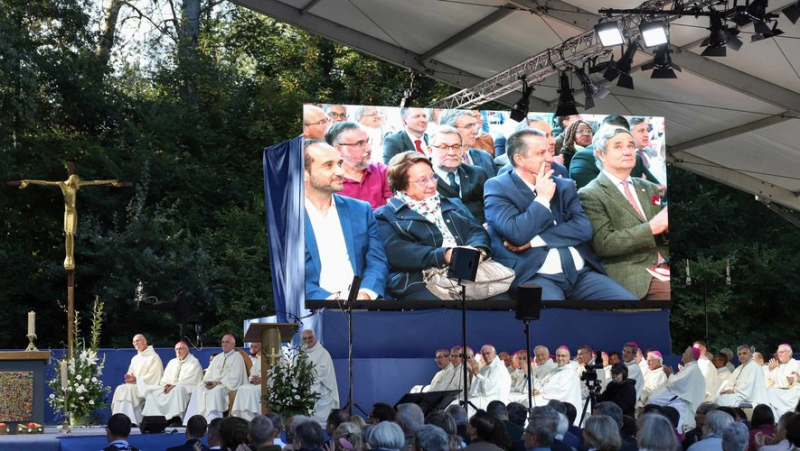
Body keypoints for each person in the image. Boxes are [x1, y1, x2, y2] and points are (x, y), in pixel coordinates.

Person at [483, 128, 636, 300]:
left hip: (582, 274)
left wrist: (534, 241)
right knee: (556, 318)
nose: (549, 158)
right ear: (519, 159)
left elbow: (583, 229)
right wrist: (541, 200)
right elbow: (516, 234)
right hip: (535, 276)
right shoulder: (498, 187)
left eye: (549, 151)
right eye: (541, 153)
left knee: (628, 305)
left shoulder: (564, 185)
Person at [375, 151, 493, 300]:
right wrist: (445, 255)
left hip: (465, 266)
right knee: (452, 309)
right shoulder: (385, 215)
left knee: (499, 301)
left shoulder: (452, 203)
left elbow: (476, 230)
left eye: (433, 176)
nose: (432, 184)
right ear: (402, 186)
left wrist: (478, 251)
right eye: (422, 180)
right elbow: (399, 253)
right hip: (419, 279)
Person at [577, 125, 670, 300]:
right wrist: (652, 228)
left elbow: (663, 232)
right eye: (618, 147)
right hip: (633, 270)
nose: (628, 152)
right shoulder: (590, 193)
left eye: (630, 146)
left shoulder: (649, 187)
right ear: (600, 154)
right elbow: (603, 244)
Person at [303, 139, 389, 300]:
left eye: (339, 164)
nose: (340, 172)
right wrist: (330, 300)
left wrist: (366, 294)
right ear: (304, 174)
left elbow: (377, 261)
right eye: (328, 165)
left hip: (364, 305)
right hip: (315, 310)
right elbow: (290, 278)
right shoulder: (288, 218)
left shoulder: (360, 209)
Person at [18, 174, 122, 270]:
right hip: (67, 213)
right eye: (77, 182)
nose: (78, 185)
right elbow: (45, 182)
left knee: (71, 234)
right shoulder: (61, 184)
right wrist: (28, 181)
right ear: (73, 180)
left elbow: (94, 182)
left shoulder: (75, 186)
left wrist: (111, 181)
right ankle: (67, 257)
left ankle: (70, 258)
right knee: (67, 234)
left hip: (73, 213)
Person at [568, 116, 660, 190]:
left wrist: (652, 201)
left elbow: (659, 193)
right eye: (608, 134)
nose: (612, 137)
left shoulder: (634, 157)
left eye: (620, 134)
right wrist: (640, 192)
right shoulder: (583, 158)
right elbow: (595, 199)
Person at [324, 121, 392, 210]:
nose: (369, 149)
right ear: (338, 149)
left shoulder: (382, 171)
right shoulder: (328, 182)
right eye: (359, 144)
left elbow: (395, 211)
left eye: (367, 141)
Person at [429, 126, 491, 223]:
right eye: (444, 147)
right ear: (430, 150)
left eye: (456, 146)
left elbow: (492, 205)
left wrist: (489, 224)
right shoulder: (422, 180)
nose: (451, 152)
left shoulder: (478, 173)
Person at [184, 333, 247, 423]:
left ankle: (213, 420)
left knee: (216, 391)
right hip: (213, 384)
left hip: (226, 385)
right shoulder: (217, 357)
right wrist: (208, 382)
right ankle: (193, 421)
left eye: (227, 342)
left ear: (233, 344)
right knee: (198, 390)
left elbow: (235, 377)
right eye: (223, 342)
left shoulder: (238, 357)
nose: (224, 344)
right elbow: (209, 372)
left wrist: (217, 383)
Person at [142, 340, 203, 425]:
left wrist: (174, 386)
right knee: (152, 391)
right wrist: (167, 385)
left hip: (187, 387)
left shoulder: (193, 362)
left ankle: (175, 418)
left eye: (181, 349)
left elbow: (190, 379)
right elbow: (165, 378)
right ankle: (154, 419)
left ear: (187, 350)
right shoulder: (172, 362)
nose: (178, 351)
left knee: (178, 389)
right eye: (177, 349)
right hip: (170, 387)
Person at [649, 346, 707, 431]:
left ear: (690, 356)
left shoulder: (693, 368)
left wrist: (670, 374)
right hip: (682, 398)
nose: (683, 354)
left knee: (656, 402)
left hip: (685, 401)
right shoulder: (690, 367)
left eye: (685, 352)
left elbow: (676, 383)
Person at [111, 334, 164, 425]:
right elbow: (131, 373)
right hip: (135, 385)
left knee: (129, 389)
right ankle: (119, 420)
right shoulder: (135, 358)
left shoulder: (154, 357)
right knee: (121, 388)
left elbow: (154, 376)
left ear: (145, 341)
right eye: (134, 342)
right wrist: (130, 377)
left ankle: (131, 420)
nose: (136, 343)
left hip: (147, 386)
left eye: (138, 340)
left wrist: (137, 380)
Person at [438, 109, 496, 177]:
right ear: (450, 129)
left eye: (474, 125)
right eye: (468, 126)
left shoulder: (486, 158)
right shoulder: (437, 162)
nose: (475, 131)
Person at [529, 347, 581, 418]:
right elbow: (544, 382)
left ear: (568, 357)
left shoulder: (570, 372)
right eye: (558, 356)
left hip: (564, 405)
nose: (560, 358)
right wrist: (539, 390)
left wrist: (541, 391)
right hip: (551, 398)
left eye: (563, 356)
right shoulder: (555, 370)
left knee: (531, 404)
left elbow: (560, 390)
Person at [302, 329, 340, 424]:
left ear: (315, 337)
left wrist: (308, 372)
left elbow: (323, 372)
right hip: (304, 386)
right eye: (305, 338)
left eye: (310, 337)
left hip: (321, 388)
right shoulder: (301, 353)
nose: (308, 340)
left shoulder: (323, 353)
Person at [468, 345, 513, 410]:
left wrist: (477, 373)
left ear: (494, 353)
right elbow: (476, 388)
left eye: (488, 353)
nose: (486, 356)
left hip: (493, 400)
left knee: (466, 406)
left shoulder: (499, 368)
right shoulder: (484, 368)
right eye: (483, 354)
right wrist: (471, 372)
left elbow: (489, 389)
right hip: (483, 397)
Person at [231, 342, 265, 421]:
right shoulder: (261, 357)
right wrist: (253, 379)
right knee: (242, 388)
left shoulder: (278, 356)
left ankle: (254, 419)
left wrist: (262, 379)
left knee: (252, 390)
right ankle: (242, 419)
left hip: (267, 384)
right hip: (256, 384)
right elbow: (252, 373)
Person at [767, 344, 800, 418]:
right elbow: (771, 382)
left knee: (770, 392)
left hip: (792, 393)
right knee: (768, 391)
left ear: (789, 353)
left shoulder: (797, 363)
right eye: (778, 353)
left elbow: (787, 382)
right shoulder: (779, 367)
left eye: (782, 352)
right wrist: (772, 369)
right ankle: (776, 421)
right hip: (781, 393)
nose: (779, 354)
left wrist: (795, 379)